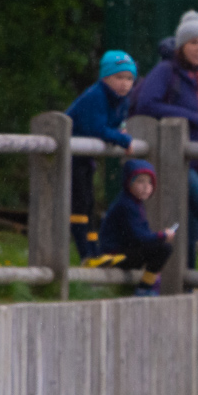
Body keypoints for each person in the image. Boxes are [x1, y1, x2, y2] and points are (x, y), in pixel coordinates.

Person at [132, 10, 198, 279]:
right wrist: (191, 117)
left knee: (188, 231)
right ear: (181, 45)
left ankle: (188, 285)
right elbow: (146, 103)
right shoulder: (166, 71)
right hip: (177, 162)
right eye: (193, 43)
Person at [66, 50, 137, 262]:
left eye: (129, 78)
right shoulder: (96, 96)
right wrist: (123, 140)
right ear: (105, 77)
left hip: (85, 158)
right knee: (80, 203)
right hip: (71, 156)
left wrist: (120, 132)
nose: (124, 84)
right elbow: (96, 128)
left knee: (89, 203)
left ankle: (95, 251)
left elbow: (115, 123)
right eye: (119, 78)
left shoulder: (121, 99)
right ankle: (86, 253)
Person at [98, 160, 176, 296]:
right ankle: (144, 287)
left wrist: (158, 238)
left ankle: (148, 284)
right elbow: (139, 237)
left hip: (125, 251)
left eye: (149, 182)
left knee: (160, 248)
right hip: (115, 256)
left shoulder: (134, 203)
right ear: (128, 182)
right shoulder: (127, 205)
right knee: (164, 249)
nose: (146, 187)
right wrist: (162, 236)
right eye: (140, 181)